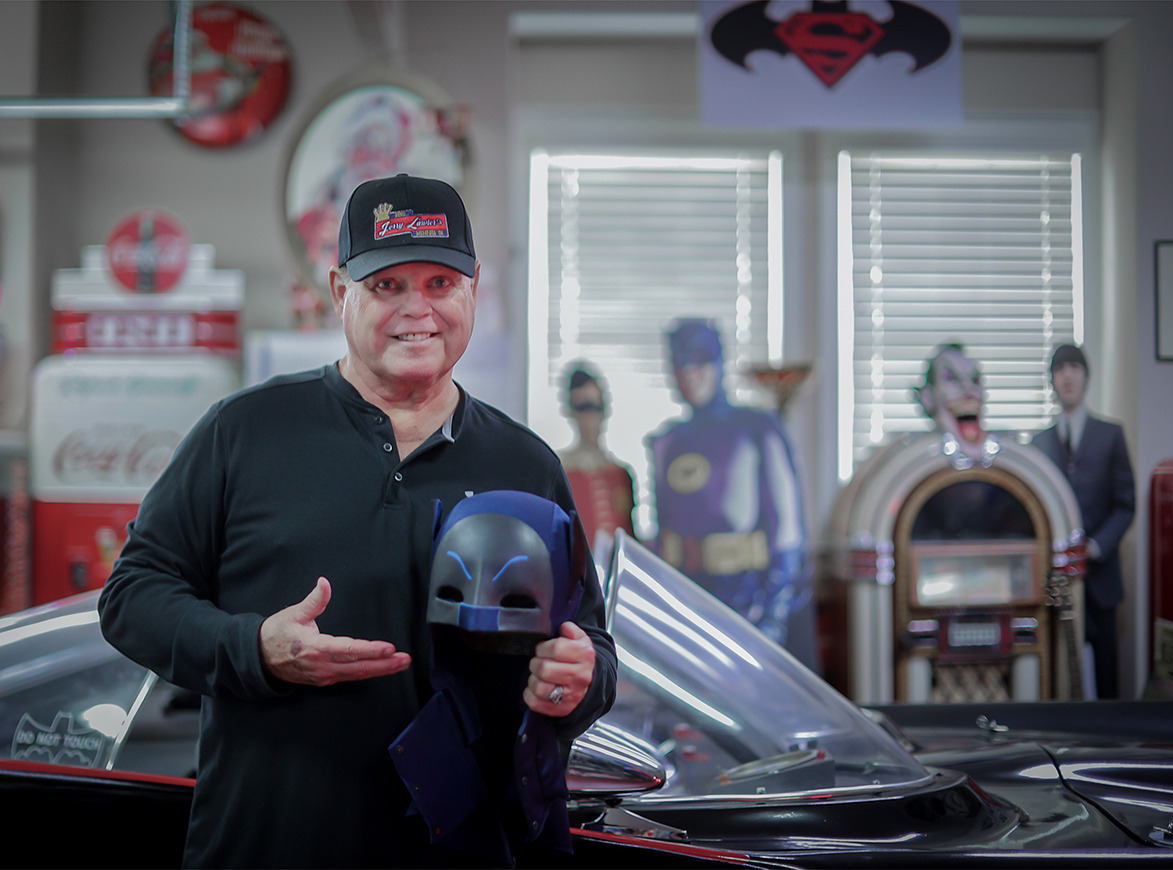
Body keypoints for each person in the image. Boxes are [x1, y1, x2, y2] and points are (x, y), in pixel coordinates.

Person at [98, 174, 617, 868]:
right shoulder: (246, 432)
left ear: (473, 289)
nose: (418, 310)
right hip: (269, 846)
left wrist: (579, 682)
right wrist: (254, 649)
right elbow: (132, 596)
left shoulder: (524, 463)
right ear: (341, 292)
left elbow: (595, 650)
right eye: (387, 286)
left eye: (440, 283)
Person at [646, 319, 817, 670]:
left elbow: (788, 534)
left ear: (719, 362)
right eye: (679, 363)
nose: (689, 373)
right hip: (690, 607)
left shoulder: (756, 428)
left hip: (752, 601)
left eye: (699, 360)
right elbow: (664, 537)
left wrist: (773, 616)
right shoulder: (667, 441)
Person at [1031, 343, 1135, 699]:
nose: (1068, 376)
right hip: (1055, 582)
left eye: (1075, 367)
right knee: (1056, 670)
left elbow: (1126, 505)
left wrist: (1096, 546)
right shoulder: (1038, 443)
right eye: (1060, 370)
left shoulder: (1111, 435)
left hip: (1102, 579)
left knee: (1107, 673)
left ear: (1086, 376)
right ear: (1052, 381)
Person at [557, 362, 636, 546]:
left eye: (595, 407)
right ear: (572, 411)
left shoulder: (620, 474)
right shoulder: (562, 471)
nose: (590, 417)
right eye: (583, 408)